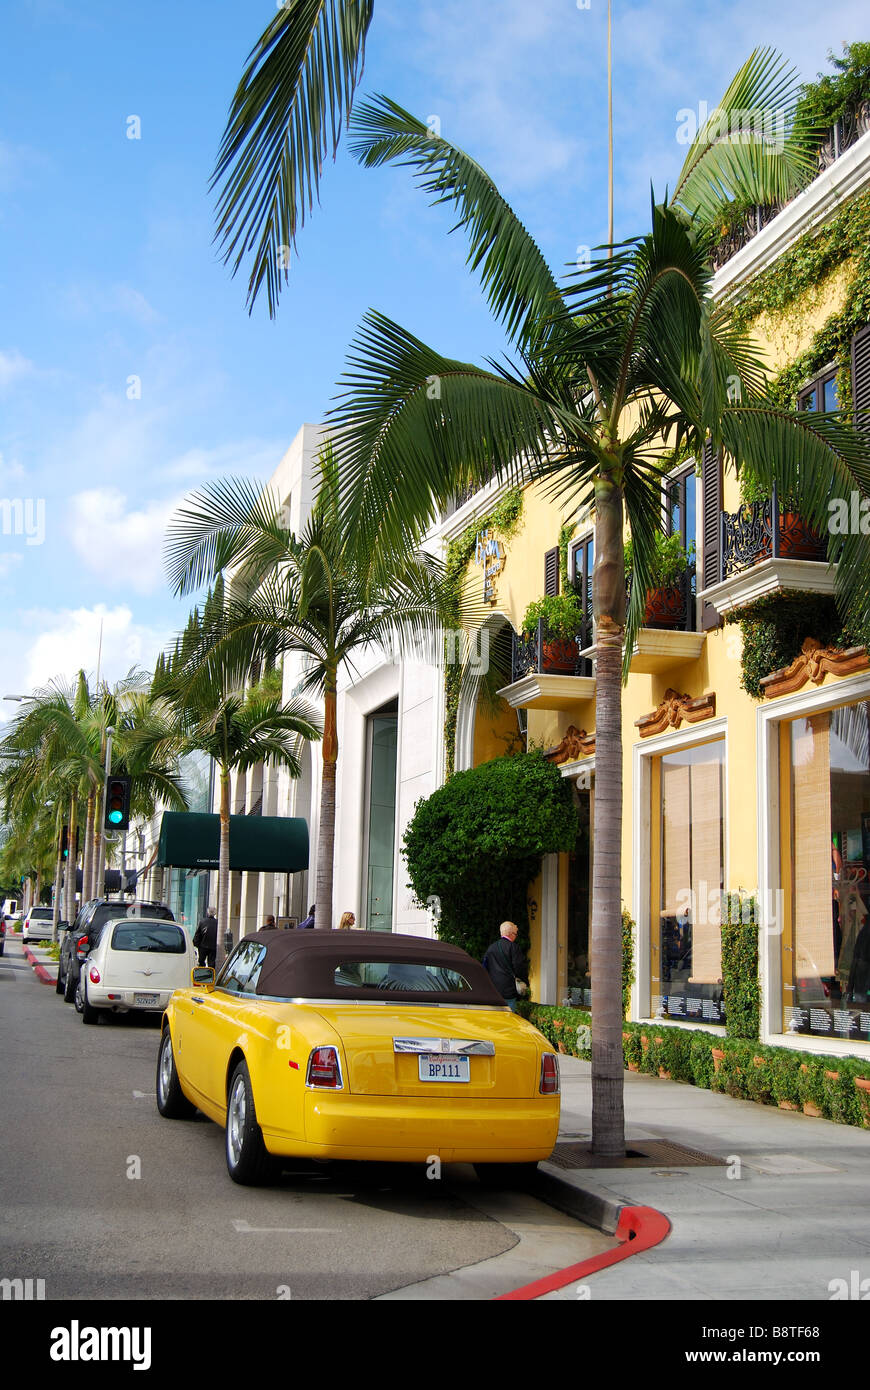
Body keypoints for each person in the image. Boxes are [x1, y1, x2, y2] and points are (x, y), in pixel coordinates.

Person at [482, 921, 529, 1013]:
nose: (516, 936)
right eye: (515, 934)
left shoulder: (491, 948)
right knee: (509, 1019)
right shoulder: (513, 947)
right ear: (511, 934)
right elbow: (519, 968)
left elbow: (484, 968)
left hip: (493, 990)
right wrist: (525, 982)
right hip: (508, 990)